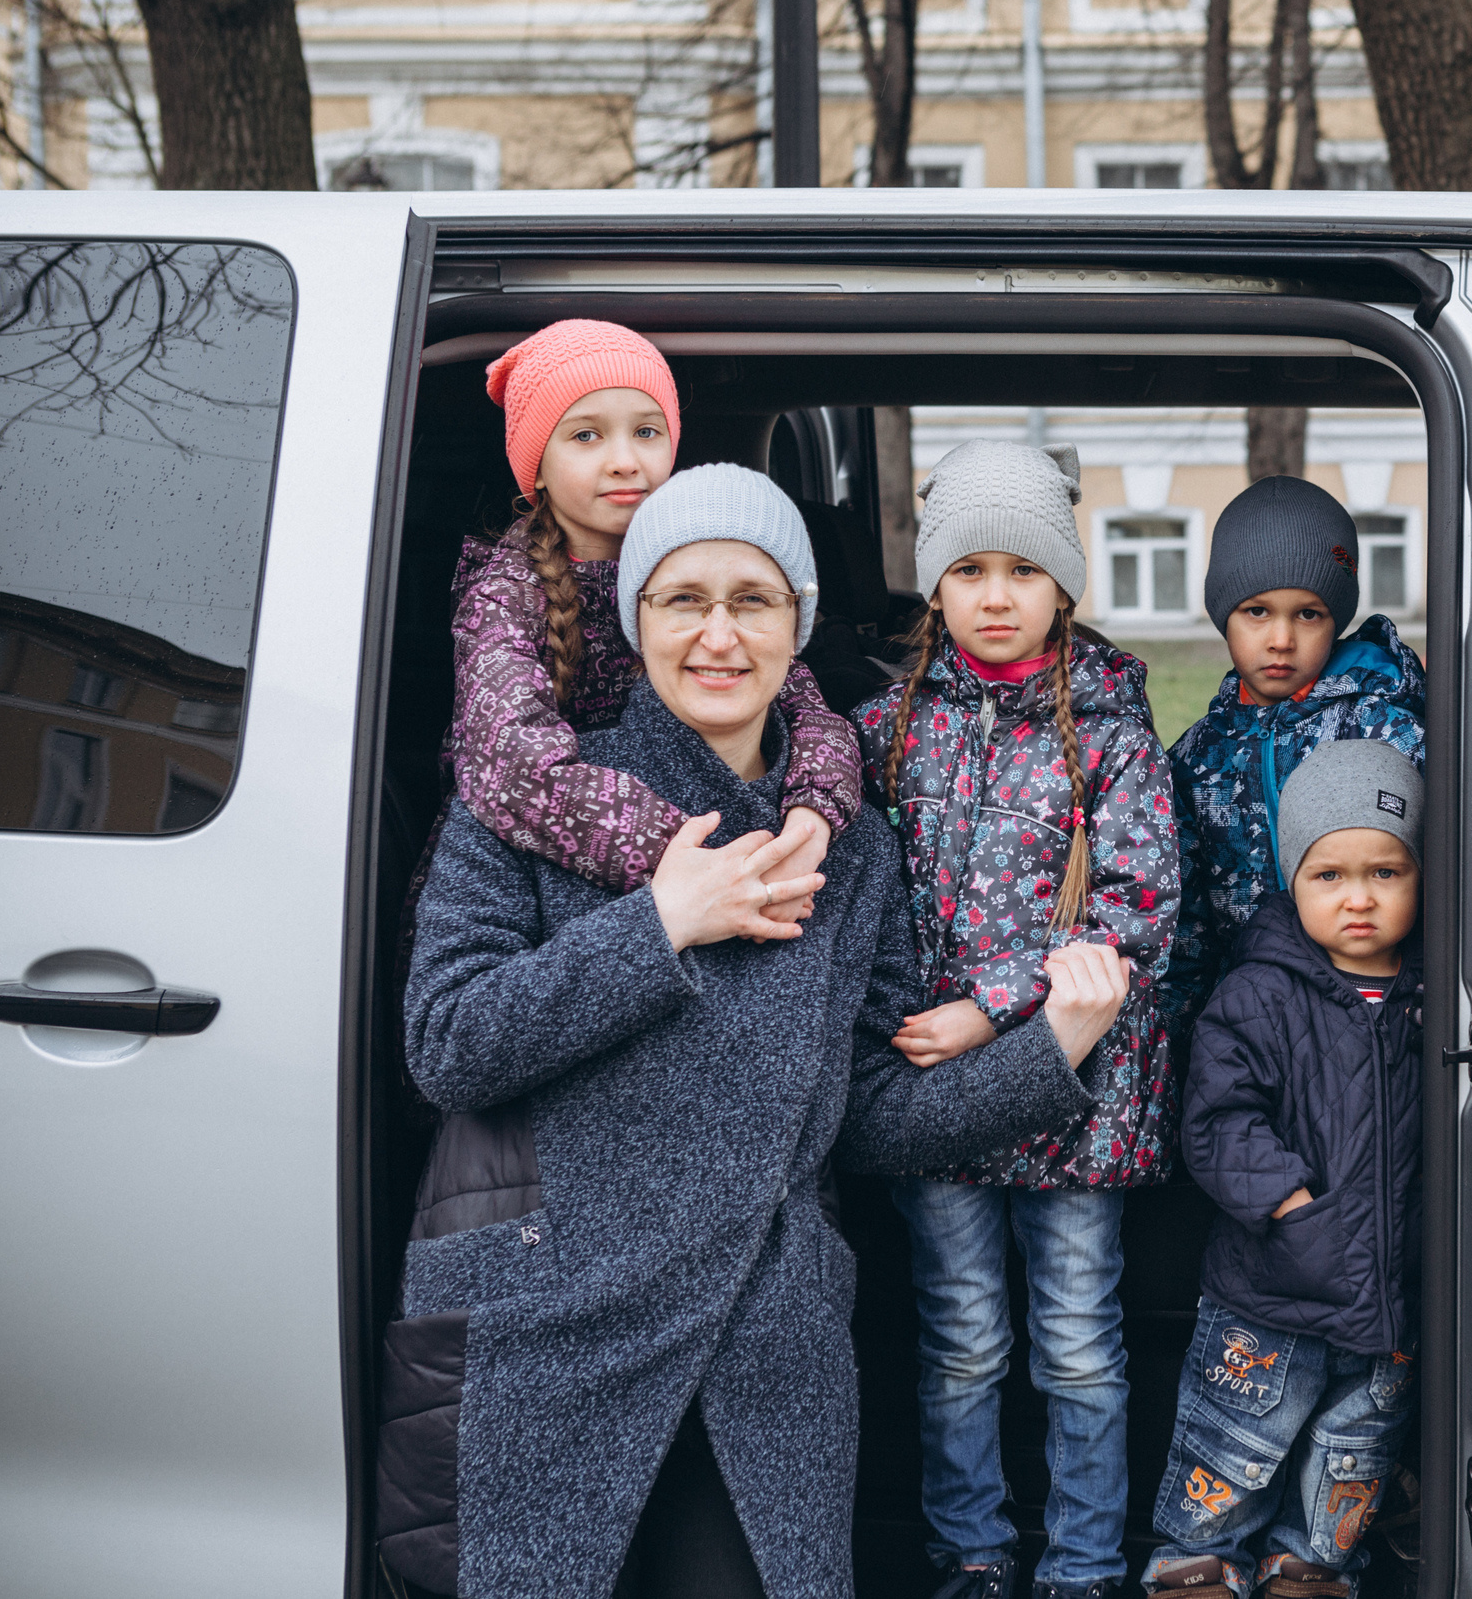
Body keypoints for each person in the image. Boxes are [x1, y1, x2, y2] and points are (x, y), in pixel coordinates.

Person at [378, 463, 1135, 1599]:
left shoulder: (851, 849)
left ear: (800, 630)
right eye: (684, 599)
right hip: (551, 1329)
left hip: (761, 1349)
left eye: (755, 600)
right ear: (635, 624)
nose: (719, 634)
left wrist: (1051, 1051)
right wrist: (661, 925)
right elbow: (447, 1044)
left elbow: (869, 1113)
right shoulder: (534, 801)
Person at [849, 439, 1182, 1599]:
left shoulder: (1109, 728)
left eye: (1025, 571)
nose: (998, 596)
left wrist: (991, 1014)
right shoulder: (885, 730)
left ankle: (1085, 1563)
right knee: (962, 1342)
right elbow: (855, 899)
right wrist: (909, 1024)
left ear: (1062, 586)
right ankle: (974, 1552)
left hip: (1071, 1100)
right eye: (971, 569)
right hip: (936, 1096)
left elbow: (1141, 906)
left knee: (1080, 1348)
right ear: (936, 584)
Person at [445, 318, 858, 919]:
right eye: (586, 437)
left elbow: (810, 713)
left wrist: (816, 813)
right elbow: (513, 768)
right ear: (534, 466)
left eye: (645, 431)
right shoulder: (504, 597)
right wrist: (697, 862)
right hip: (538, 880)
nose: (623, 461)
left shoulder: (700, 565)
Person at [1141, 740, 1426, 1599]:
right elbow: (1219, 1122)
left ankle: (1308, 1566)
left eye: (1386, 871)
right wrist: (1293, 1204)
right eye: (1329, 875)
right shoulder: (1256, 994)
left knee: (1353, 1453)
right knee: (1233, 1445)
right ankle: (1196, 1565)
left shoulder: (1437, 993)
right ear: (1291, 882)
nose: (1360, 898)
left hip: (1389, 1294)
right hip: (1271, 1287)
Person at [1166, 476, 1426, 1032]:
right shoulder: (1196, 758)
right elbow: (1187, 928)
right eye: (1256, 612)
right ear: (1222, 614)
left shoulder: (1386, 731)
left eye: (1308, 614)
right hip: (1254, 1023)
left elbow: (1441, 876)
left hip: (1380, 1010)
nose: (1281, 638)